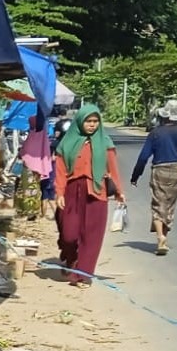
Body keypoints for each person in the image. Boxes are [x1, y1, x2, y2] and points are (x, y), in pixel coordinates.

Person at [53, 104, 126, 288]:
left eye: (95, 121)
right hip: (72, 191)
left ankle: (83, 275)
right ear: (80, 121)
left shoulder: (105, 142)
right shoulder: (67, 142)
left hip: (96, 191)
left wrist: (119, 191)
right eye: (88, 121)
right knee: (69, 234)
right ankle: (71, 258)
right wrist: (59, 192)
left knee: (91, 236)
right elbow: (60, 170)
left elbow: (113, 169)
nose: (92, 125)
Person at [130, 99, 177, 255]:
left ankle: (160, 238)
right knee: (170, 205)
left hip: (159, 170)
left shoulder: (156, 133)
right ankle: (164, 236)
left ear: (164, 116)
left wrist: (135, 175)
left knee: (158, 204)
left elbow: (144, 157)